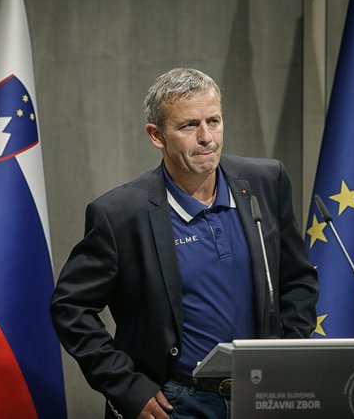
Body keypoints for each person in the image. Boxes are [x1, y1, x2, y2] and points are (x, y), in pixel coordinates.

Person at [51, 68, 318, 419]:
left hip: (262, 393)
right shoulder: (119, 214)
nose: (207, 137)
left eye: (214, 120)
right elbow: (71, 308)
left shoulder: (265, 182)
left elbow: (297, 280)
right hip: (177, 401)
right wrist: (126, 386)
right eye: (190, 126)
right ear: (156, 135)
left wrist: (288, 356)